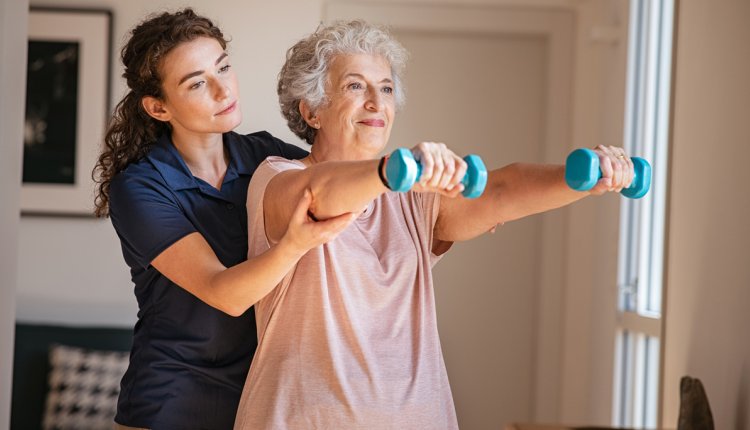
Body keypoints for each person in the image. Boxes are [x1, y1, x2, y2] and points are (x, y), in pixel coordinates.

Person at [233, 20, 636, 429]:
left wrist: (584, 178)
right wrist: (393, 170)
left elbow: (500, 191)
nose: (376, 102)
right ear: (311, 110)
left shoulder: (412, 195)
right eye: (355, 86)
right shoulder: (278, 177)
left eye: (386, 88)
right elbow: (318, 196)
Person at [91, 9, 354, 429]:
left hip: (260, 399)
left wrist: (429, 209)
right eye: (197, 83)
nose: (223, 89)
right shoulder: (140, 187)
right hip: (172, 402)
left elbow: (336, 180)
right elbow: (225, 294)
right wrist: (295, 244)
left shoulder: (266, 156)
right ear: (159, 108)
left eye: (223, 67)